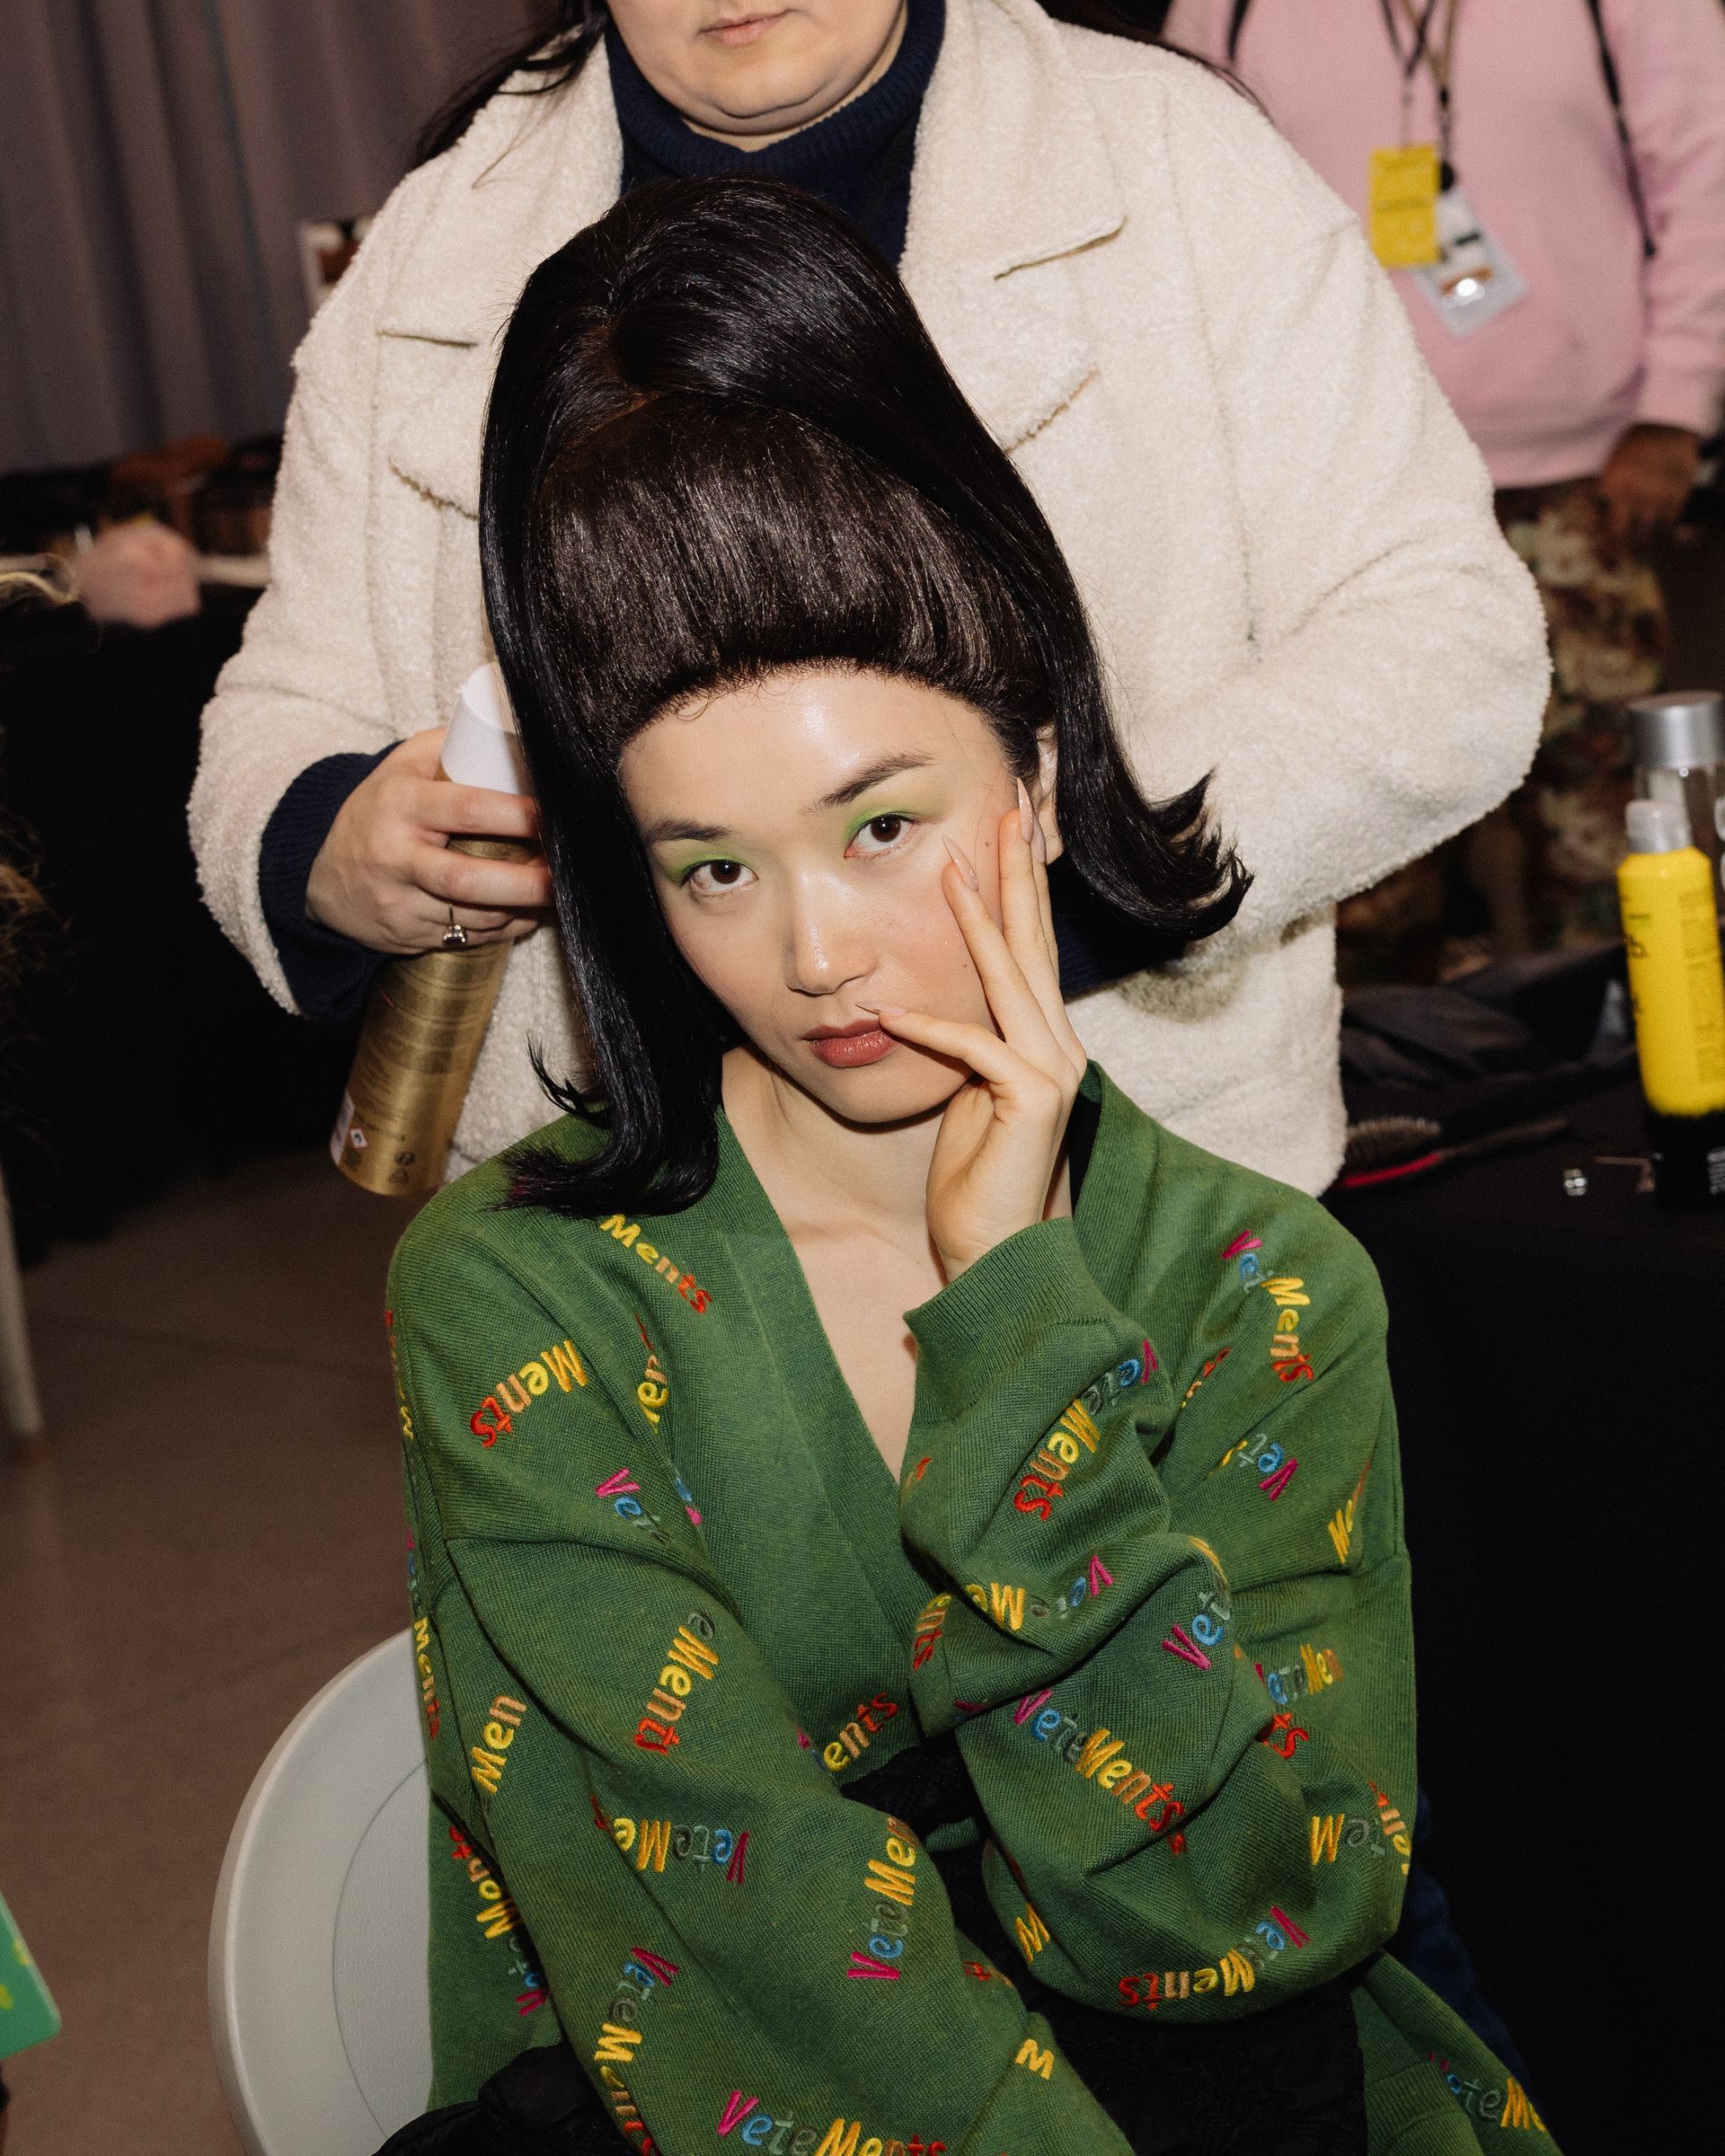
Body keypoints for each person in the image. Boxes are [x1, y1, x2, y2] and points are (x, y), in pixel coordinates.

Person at [382, 177, 1553, 2156]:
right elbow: (722, 1930)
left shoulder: (1260, 1285)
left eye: (882, 825)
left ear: (1027, 776)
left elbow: (1235, 1932)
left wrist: (1015, 1324)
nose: (819, 955)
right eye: (713, 868)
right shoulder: (517, 1298)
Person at [190, 0, 1550, 1197]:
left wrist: (1069, 880)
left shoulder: (1171, 161)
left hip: (1123, 1161)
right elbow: (285, 696)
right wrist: (325, 838)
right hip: (624, 1219)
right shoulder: (446, 231)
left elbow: (1444, 635)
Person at [1166, 0, 1725, 965]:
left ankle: (1627, 1070)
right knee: (1361, 845)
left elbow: (1708, 176)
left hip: (1584, 479)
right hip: (1331, 482)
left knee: (1602, 832)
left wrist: (1676, 407)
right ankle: (1407, 1079)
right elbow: (1177, 201)